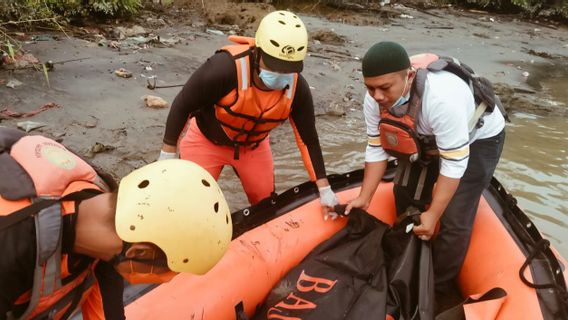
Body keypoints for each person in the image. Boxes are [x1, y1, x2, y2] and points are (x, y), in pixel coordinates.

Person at [0, 127, 232, 320]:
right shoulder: (12, 244)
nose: (166, 279)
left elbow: (109, 310)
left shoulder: (105, 225)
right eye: (166, 272)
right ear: (139, 251)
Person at [345, 42, 506, 309]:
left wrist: (432, 215)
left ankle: (436, 289)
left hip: (477, 138)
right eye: (370, 88)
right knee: (404, 193)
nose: (377, 96)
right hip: (424, 135)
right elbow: (376, 146)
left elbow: (454, 165)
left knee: (454, 218)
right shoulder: (375, 99)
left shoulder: (441, 100)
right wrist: (365, 197)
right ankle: (405, 265)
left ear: (408, 76)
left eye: (385, 88)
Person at [158, 10, 339, 219]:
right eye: (274, 66)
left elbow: (308, 140)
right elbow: (183, 105)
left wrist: (324, 188)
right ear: (258, 52)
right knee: (188, 205)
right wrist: (168, 153)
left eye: (287, 68)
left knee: (266, 206)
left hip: (253, 147)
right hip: (206, 141)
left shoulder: (298, 90)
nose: (280, 74)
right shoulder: (222, 69)